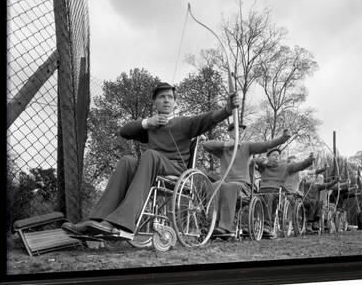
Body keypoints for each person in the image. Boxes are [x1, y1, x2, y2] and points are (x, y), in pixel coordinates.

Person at [62, 82, 240, 238]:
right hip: (151, 168)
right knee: (127, 160)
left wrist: (227, 109)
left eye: (170, 97)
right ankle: (97, 220)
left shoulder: (184, 123)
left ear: (175, 102)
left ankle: (122, 222)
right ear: (155, 102)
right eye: (162, 97)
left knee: (150, 155)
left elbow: (209, 119)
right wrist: (147, 123)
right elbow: (124, 131)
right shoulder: (151, 124)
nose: (166, 100)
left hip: (176, 171)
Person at [202, 124, 291, 236]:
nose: (240, 132)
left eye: (241, 131)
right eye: (236, 130)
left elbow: (266, 145)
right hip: (225, 181)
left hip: (242, 185)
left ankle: (225, 227)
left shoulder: (247, 146)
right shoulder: (223, 149)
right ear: (229, 133)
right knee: (215, 185)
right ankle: (211, 224)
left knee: (230, 186)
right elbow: (205, 145)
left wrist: (283, 138)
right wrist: (225, 144)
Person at [255, 149, 315, 235]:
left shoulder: (285, 167)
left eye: (278, 155)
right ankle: (250, 225)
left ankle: (268, 225)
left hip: (276, 192)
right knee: (252, 199)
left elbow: (299, 166)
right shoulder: (264, 166)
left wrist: (309, 160)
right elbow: (254, 160)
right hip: (262, 191)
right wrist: (263, 161)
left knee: (269, 197)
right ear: (268, 157)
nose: (277, 157)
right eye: (274, 155)